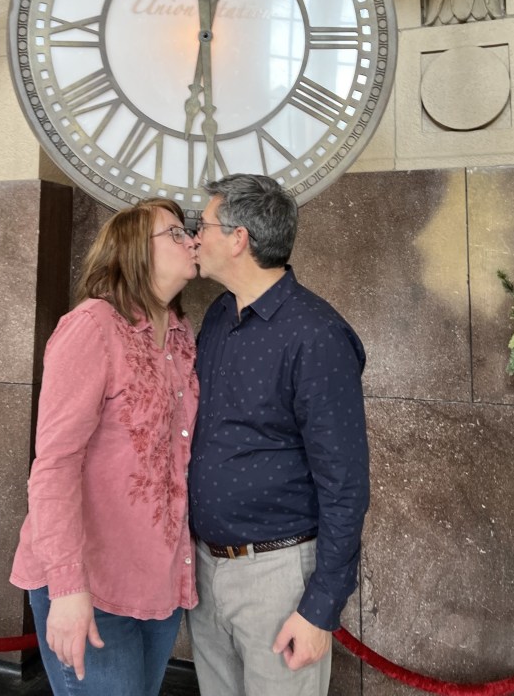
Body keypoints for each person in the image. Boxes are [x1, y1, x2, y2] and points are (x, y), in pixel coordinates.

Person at [187, 174, 369, 696]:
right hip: (206, 569)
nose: (195, 237)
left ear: (238, 238)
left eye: (204, 225)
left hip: (279, 578)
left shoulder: (317, 335)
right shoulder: (219, 315)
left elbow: (345, 485)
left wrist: (319, 609)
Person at [10, 198, 199, 696]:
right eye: (175, 233)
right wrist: (68, 587)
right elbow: (55, 464)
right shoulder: (93, 326)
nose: (191, 240)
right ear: (134, 250)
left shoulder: (182, 336)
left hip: (157, 580)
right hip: (89, 582)